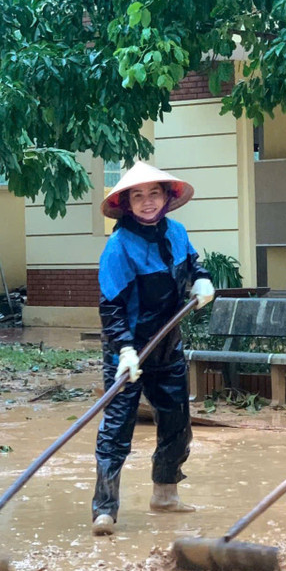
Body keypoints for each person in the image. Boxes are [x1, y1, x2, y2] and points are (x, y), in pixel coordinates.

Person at [92, 162, 215, 536]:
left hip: (167, 348)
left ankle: (165, 494)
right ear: (126, 203)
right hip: (127, 351)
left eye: (154, 194)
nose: (147, 202)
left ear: (166, 197)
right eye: (138, 196)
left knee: (177, 424)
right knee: (116, 431)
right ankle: (105, 510)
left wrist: (202, 281)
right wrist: (125, 351)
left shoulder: (176, 233)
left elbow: (194, 263)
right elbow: (111, 306)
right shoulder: (119, 246)